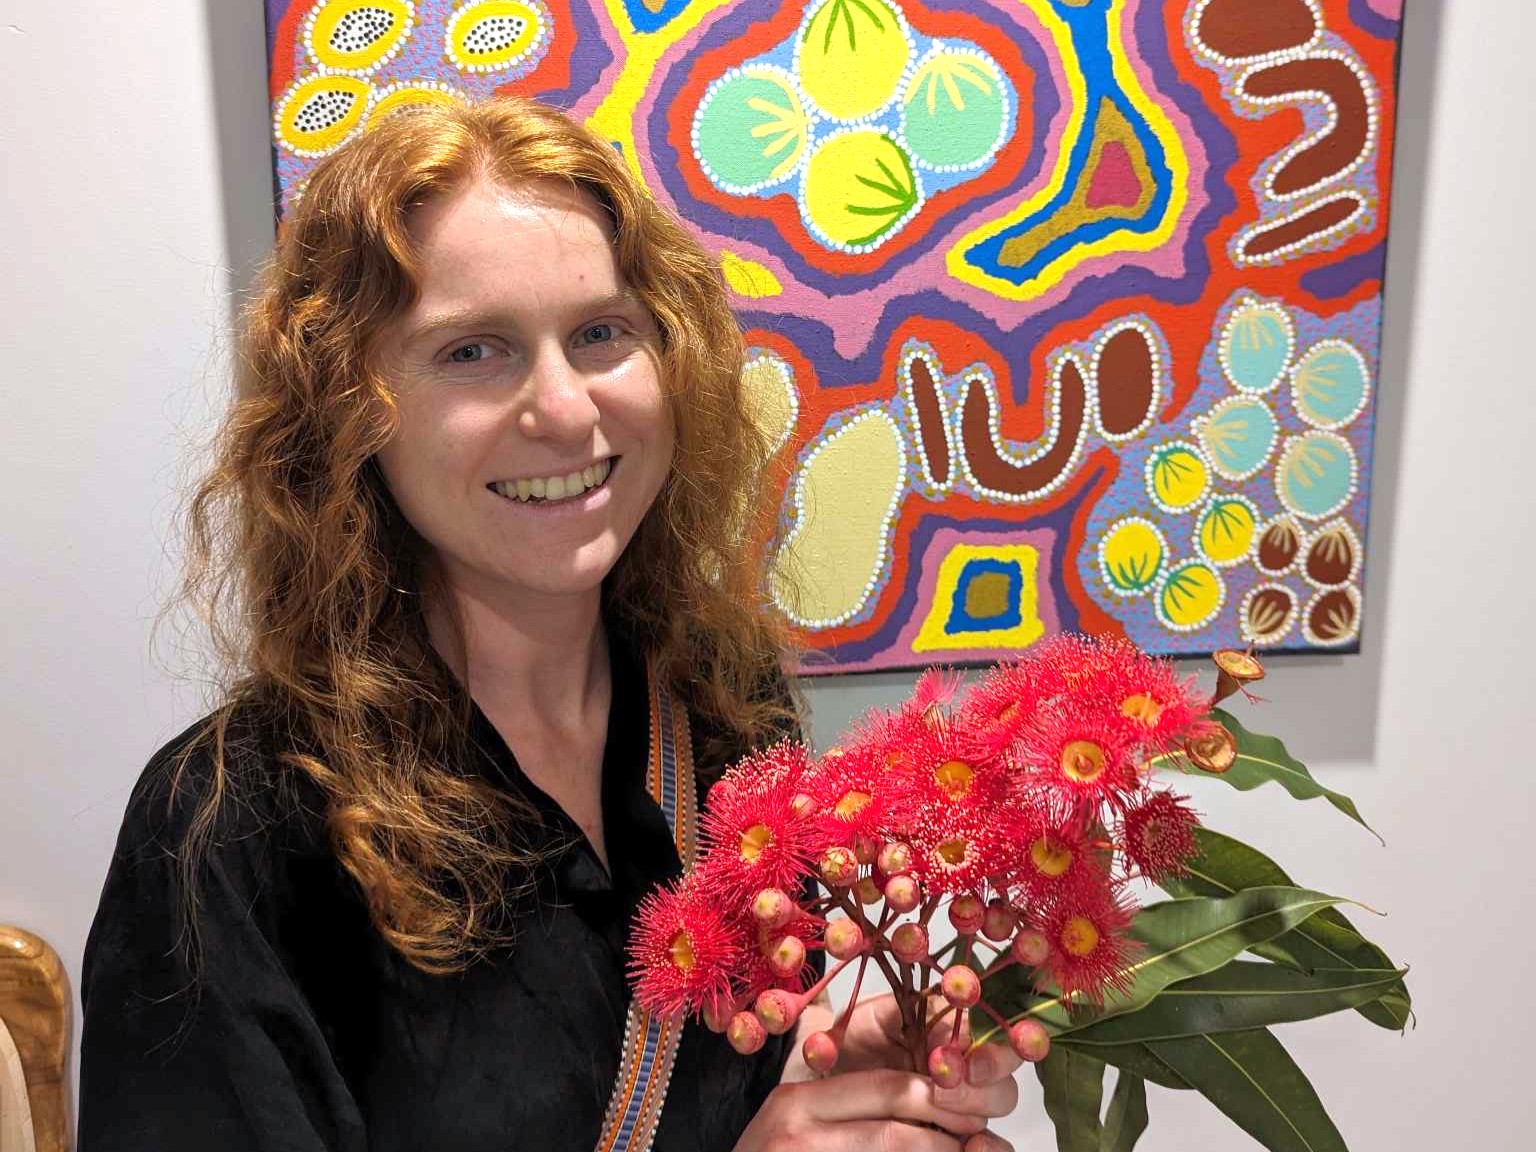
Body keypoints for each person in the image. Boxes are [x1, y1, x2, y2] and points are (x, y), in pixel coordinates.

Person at [78, 97, 1020, 1151]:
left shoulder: (727, 717)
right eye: (472, 352)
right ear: (349, 409)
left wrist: (845, 1087)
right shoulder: (228, 830)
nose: (567, 410)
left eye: (602, 333)